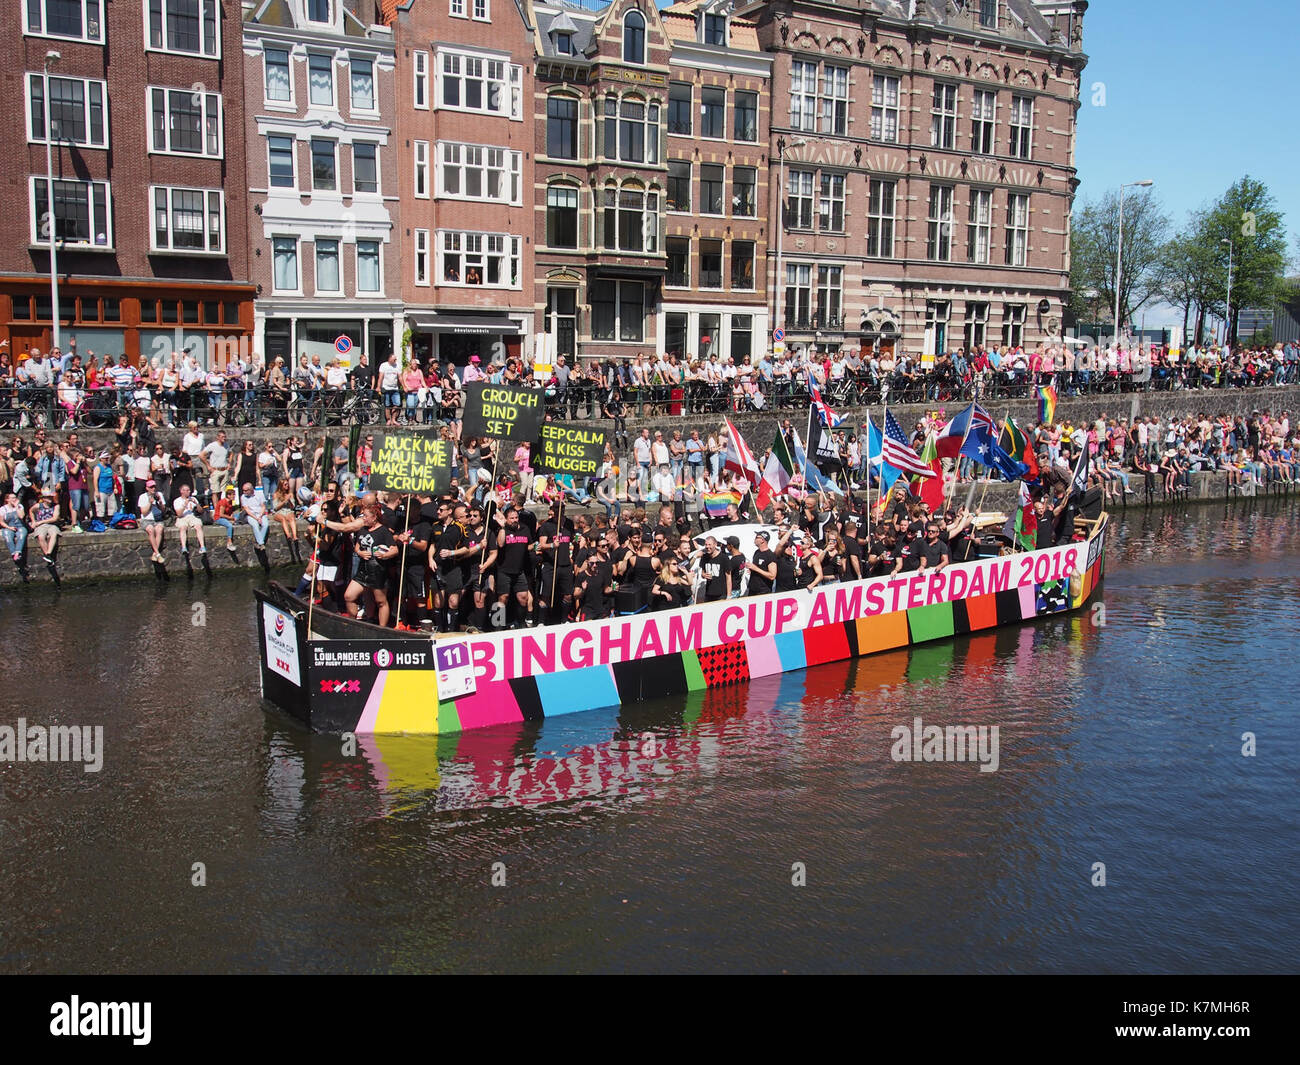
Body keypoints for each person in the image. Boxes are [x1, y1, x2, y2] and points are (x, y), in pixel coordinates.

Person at [343, 500, 399, 626]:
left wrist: (384, 555)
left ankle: (382, 628)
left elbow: (395, 550)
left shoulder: (383, 531)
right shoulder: (363, 530)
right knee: (349, 596)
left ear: (374, 517)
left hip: (377, 569)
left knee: (380, 601)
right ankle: (353, 623)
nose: (363, 518)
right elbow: (357, 546)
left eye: (366, 516)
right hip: (363, 569)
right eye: (363, 515)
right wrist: (360, 553)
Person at [172, 483, 206, 557]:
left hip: (192, 516)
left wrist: (196, 504)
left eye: (188, 490)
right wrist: (185, 505)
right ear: (181, 491)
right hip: (182, 517)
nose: (188, 492)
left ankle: (202, 546)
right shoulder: (177, 501)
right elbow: (179, 514)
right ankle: (184, 547)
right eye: (186, 490)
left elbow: (201, 511)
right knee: (183, 527)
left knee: (198, 526)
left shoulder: (193, 499)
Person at [139, 479, 169, 561]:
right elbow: (143, 512)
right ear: (147, 488)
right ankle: (158, 553)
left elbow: (163, 510)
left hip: (157, 519)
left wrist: (160, 502)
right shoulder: (142, 497)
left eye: (154, 487)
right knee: (151, 530)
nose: (153, 489)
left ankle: (155, 554)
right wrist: (149, 503)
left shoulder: (159, 495)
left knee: (159, 529)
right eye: (151, 487)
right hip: (147, 519)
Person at [240, 482, 271, 549]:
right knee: (255, 525)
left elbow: (263, 506)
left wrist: (260, 516)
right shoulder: (243, 497)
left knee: (265, 525)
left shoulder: (259, 494)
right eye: (243, 490)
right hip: (251, 515)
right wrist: (256, 518)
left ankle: (258, 543)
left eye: (246, 490)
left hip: (260, 514)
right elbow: (247, 510)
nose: (244, 492)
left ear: (251, 490)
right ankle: (261, 543)